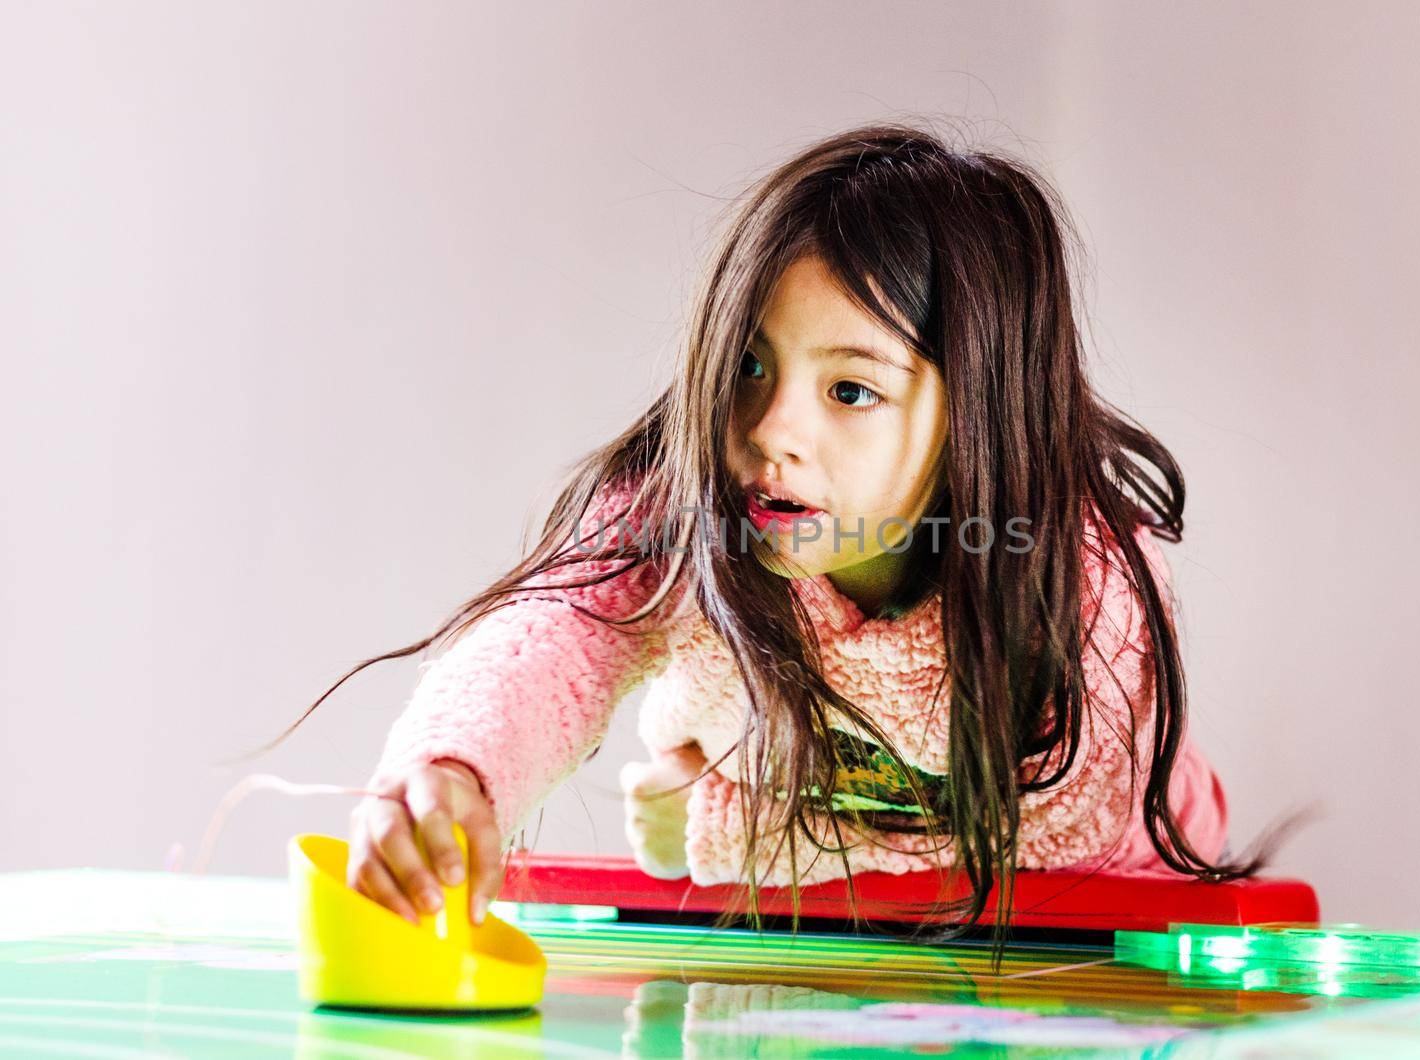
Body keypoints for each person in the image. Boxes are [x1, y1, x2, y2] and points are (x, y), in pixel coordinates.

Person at [252, 123, 1282, 939]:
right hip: (832, 932)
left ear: (978, 416)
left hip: (1104, 925)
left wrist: (729, 823)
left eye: (848, 388)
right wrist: (453, 773)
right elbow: (551, 638)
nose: (768, 429)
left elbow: (1067, 833)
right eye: (748, 366)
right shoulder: (694, 507)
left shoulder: (1074, 575)